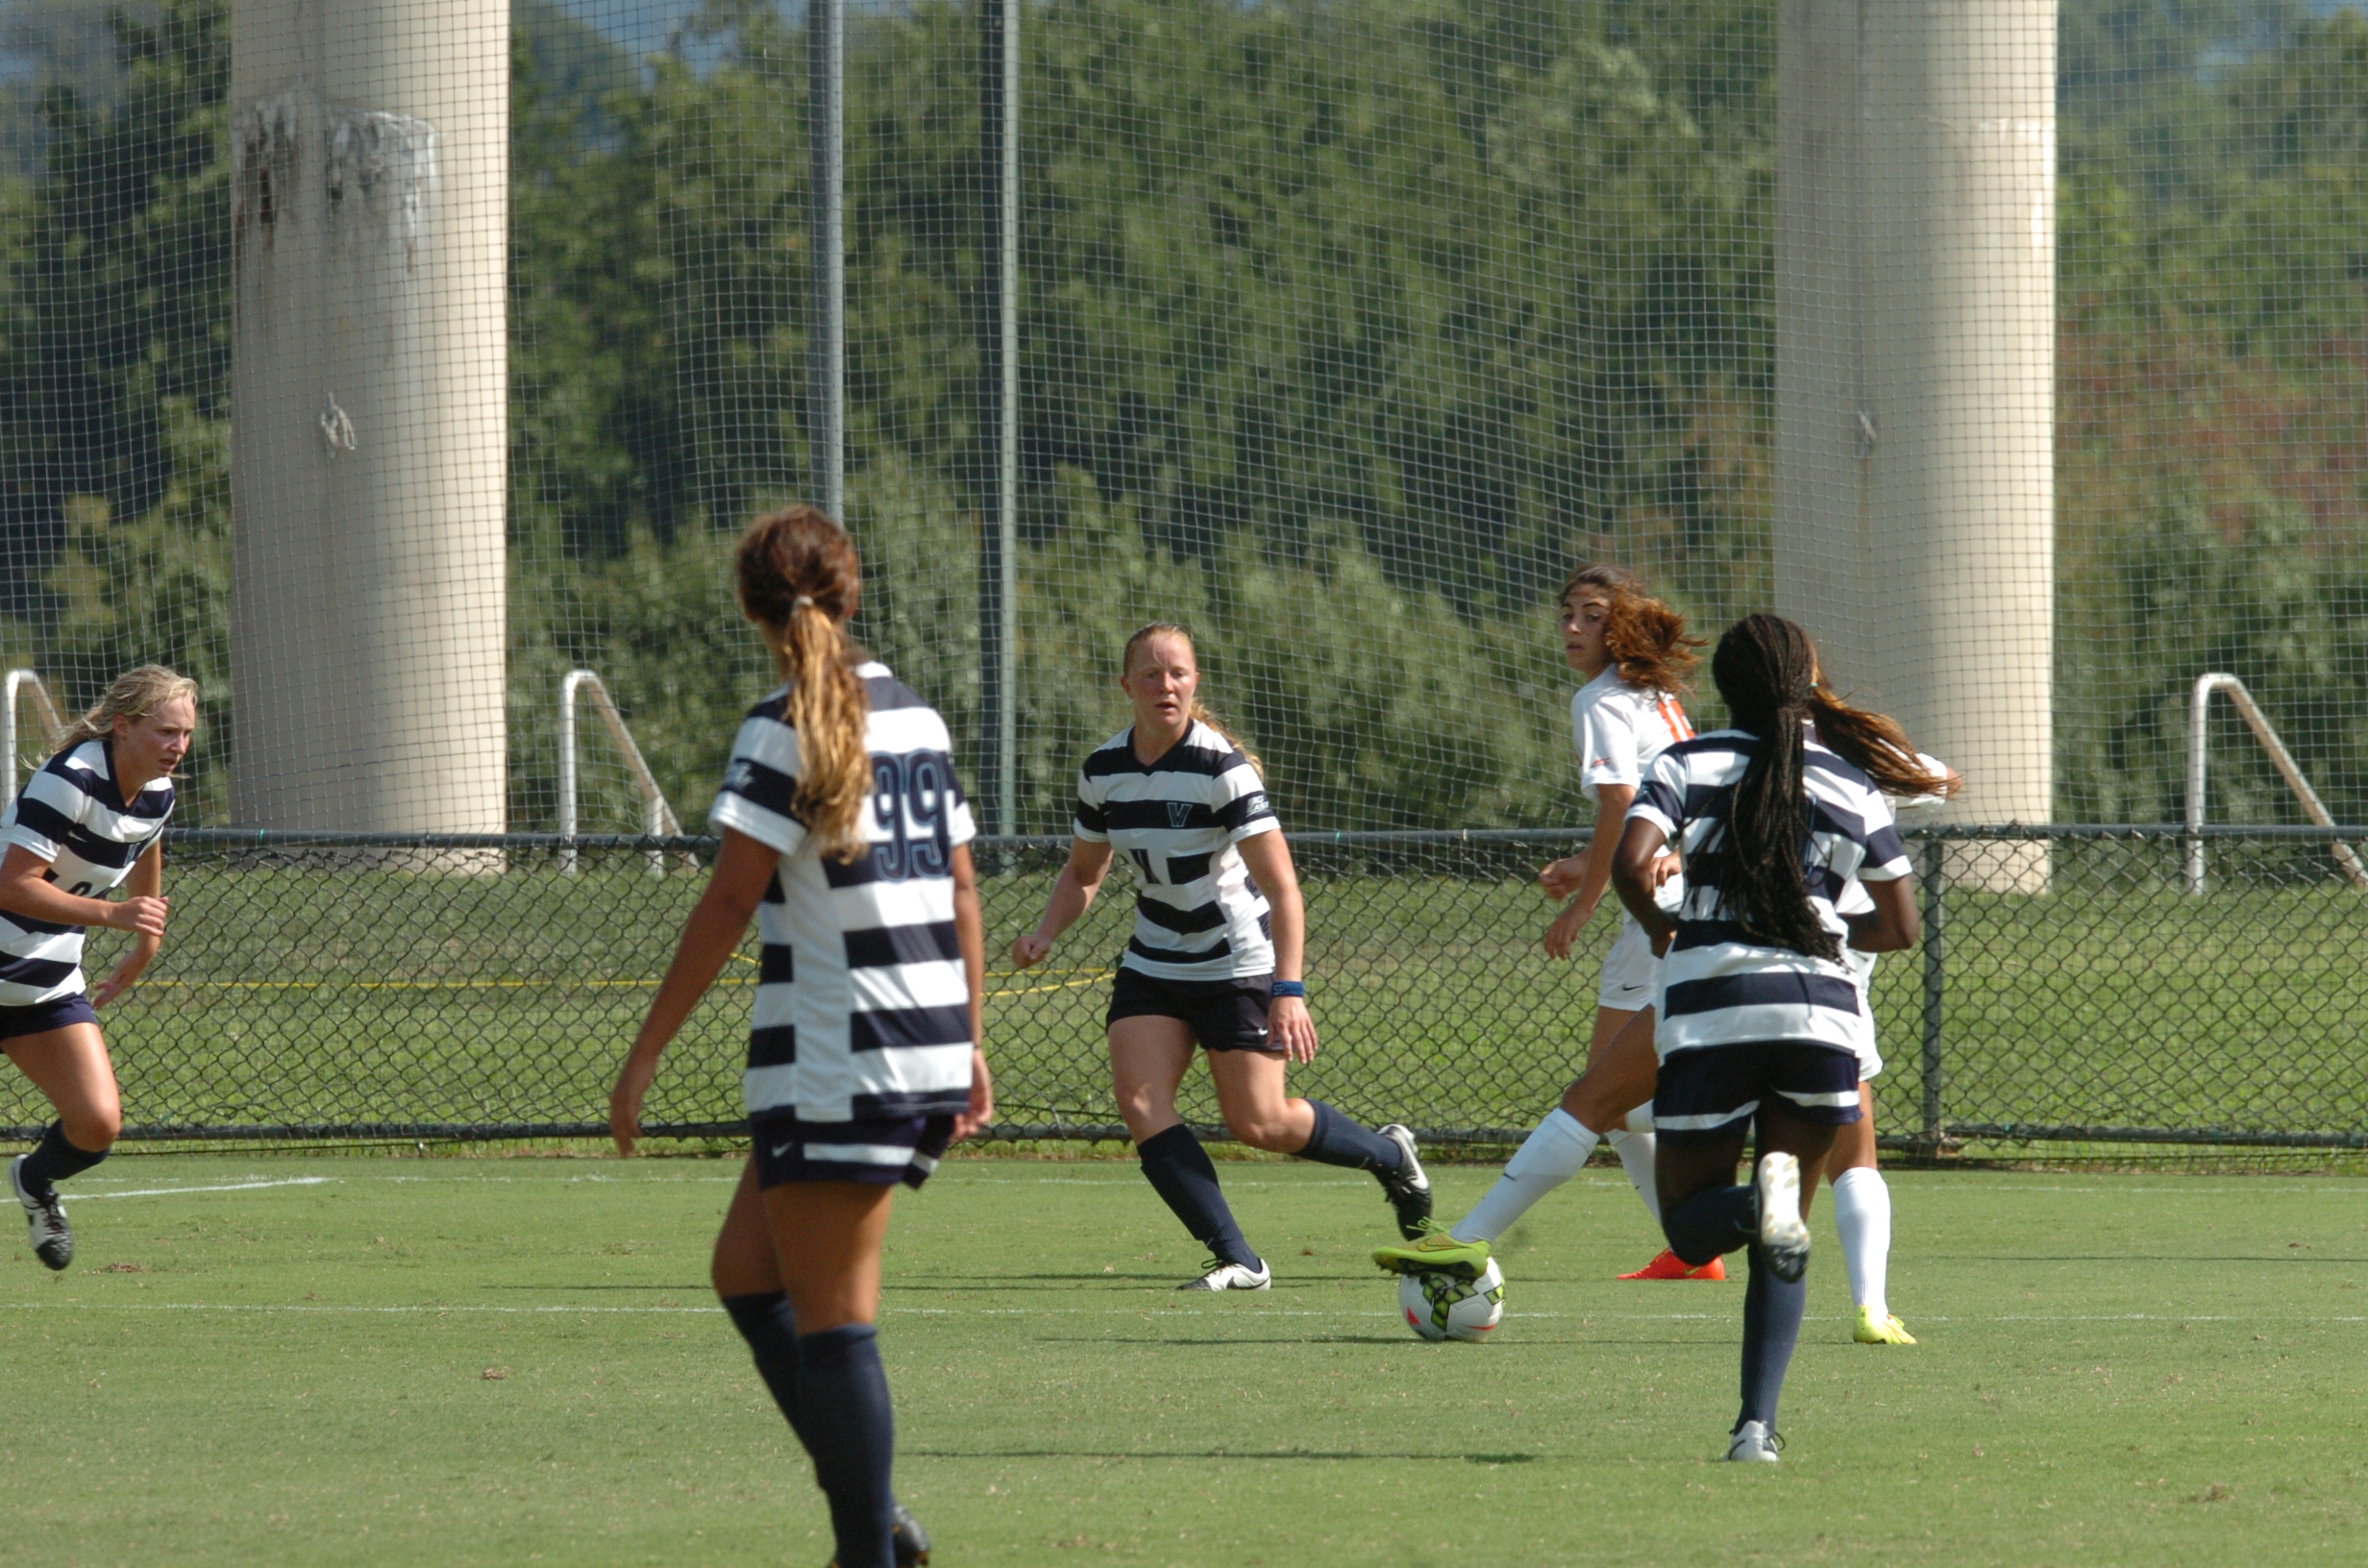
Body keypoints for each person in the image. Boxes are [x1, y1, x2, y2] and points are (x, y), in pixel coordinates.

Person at [608, 505, 992, 1568]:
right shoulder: (915, 717)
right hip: (911, 1039)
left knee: (835, 1322)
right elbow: (962, 888)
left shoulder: (782, 725)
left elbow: (730, 901)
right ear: (850, 594)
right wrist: (967, 1041)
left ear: (749, 607)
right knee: (745, 1275)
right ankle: (877, 1516)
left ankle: (867, 1548)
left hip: (839, 1055)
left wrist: (644, 1054)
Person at [1009, 622, 1431, 1291]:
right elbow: (1084, 872)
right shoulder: (1103, 770)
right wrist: (1045, 932)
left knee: (1260, 1122)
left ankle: (1389, 1155)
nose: (1165, 684)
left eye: (1178, 672)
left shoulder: (1221, 769)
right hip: (1154, 961)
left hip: (1236, 963)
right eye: (1151, 673)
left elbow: (1283, 889)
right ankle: (1239, 1258)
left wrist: (1287, 989)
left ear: (1194, 681)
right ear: (1126, 686)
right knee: (1140, 1100)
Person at [1608, 613, 1922, 1463]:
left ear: (1725, 685)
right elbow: (1901, 927)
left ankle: (1755, 1203)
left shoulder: (1685, 762)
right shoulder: (1852, 784)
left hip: (1712, 1010)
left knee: (1692, 1230)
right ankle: (1756, 1429)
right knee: (1787, 1238)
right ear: (1807, 682)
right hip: (1822, 1017)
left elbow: (1631, 864)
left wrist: (1666, 931)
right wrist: (1826, 927)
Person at [1374, 564, 1706, 1284]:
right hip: (1681, 892)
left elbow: (1620, 801)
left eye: (1592, 614)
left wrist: (1582, 904)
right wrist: (1587, 863)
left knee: (1602, 1099)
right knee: (1606, 1096)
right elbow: (1657, 811)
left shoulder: (1602, 698)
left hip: (1660, 909)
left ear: (1621, 625)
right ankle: (1689, 1246)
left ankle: (1724, 1137)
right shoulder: (1656, 696)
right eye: (1567, 614)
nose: (1572, 627)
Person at [2, 666, 192, 1271]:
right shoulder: (71, 779)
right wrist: (114, 914)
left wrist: (145, 943)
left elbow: (143, 842)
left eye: (186, 734)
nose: (178, 746)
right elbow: (12, 885)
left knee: (96, 1124)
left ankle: (34, 1181)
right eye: (165, 731)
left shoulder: (158, 792)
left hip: (42, 986)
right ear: (123, 726)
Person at [1810, 702, 1958, 1347]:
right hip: (1835, 983)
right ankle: (1871, 1305)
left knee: (1607, 1108)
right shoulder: (1856, 770)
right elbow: (1946, 778)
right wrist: (1886, 763)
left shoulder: (1737, 756)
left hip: (1735, 975)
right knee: (1850, 1158)